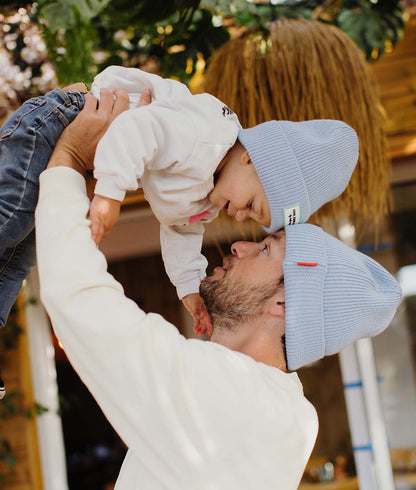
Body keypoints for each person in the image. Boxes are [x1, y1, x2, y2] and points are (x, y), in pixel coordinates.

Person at [35, 90, 401, 489]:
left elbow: (78, 299)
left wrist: (70, 157)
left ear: (283, 302)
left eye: (264, 249)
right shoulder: (287, 415)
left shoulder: (237, 400)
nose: (239, 245)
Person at [0, 64, 359, 337]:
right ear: (252, 159)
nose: (239, 215)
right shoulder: (205, 135)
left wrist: (189, 289)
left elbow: (180, 231)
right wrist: (110, 194)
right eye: (252, 204)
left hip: (86, 154)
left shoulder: (210, 198)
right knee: (11, 216)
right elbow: (136, 129)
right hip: (64, 120)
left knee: (17, 258)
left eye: (250, 216)